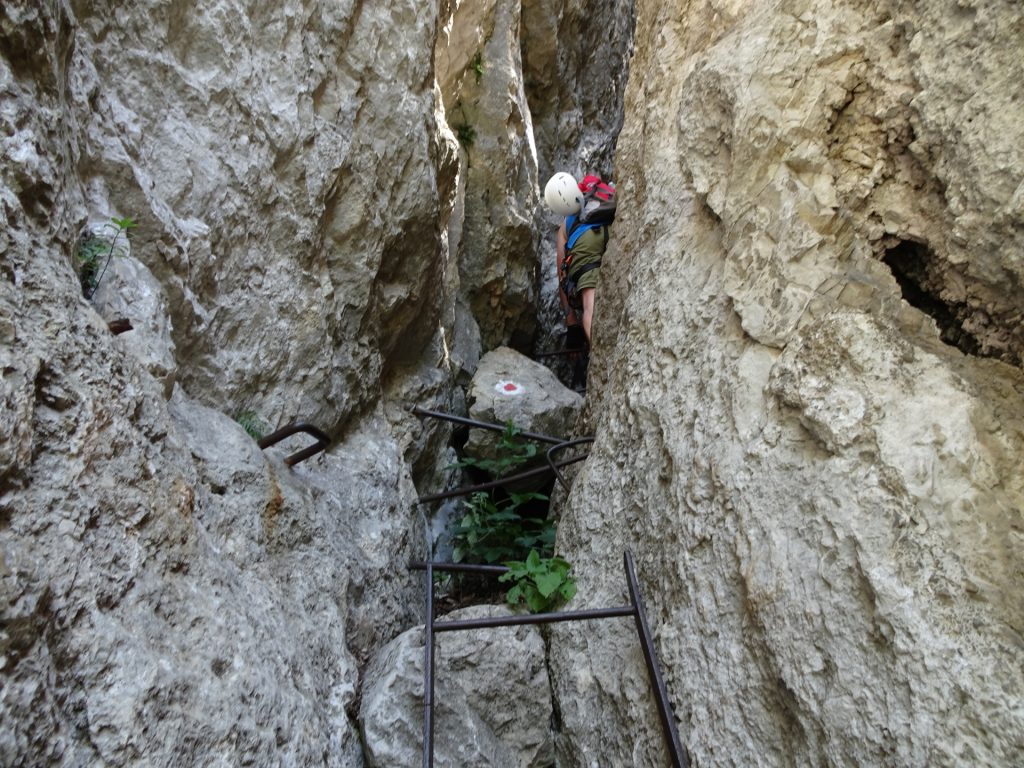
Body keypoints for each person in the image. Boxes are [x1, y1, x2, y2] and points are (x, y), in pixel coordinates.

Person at [543, 172, 611, 349]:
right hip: (612, 225)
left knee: (590, 305)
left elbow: (562, 275)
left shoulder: (566, 226)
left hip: (586, 244)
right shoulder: (599, 195)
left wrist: (572, 323)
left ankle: (600, 356)